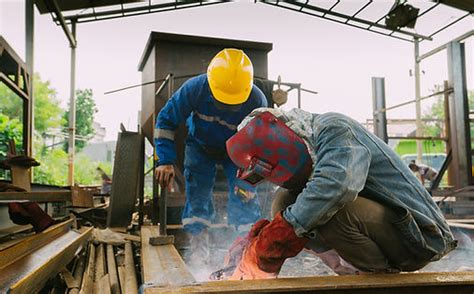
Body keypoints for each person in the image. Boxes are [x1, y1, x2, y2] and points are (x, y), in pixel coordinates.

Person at [222, 108, 456, 279]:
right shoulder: (314, 145)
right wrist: (261, 241)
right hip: (393, 232)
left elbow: (336, 187)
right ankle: (350, 271)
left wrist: (278, 235)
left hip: (420, 237)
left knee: (328, 210)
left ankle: (378, 279)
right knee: (285, 202)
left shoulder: (334, 129)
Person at [154, 48, 268, 261]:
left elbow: (262, 143)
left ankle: (245, 252)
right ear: (211, 83)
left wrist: (251, 178)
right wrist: (166, 160)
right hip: (200, 146)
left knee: (245, 195)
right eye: (222, 100)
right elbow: (165, 121)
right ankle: (199, 252)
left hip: (238, 152)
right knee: (197, 196)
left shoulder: (257, 100)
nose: (226, 105)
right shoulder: (195, 88)